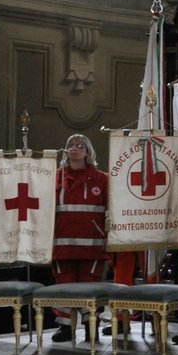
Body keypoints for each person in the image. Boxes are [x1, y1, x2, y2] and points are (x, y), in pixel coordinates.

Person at [51, 134, 109, 343]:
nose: (75, 149)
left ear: (88, 151)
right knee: (64, 286)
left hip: (92, 244)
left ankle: (90, 326)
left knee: (89, 287)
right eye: (71, 146)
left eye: (80, 146)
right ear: (66, 151)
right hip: (61, 243)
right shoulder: (54, 177)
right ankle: (65, 327)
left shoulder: (102, 179)